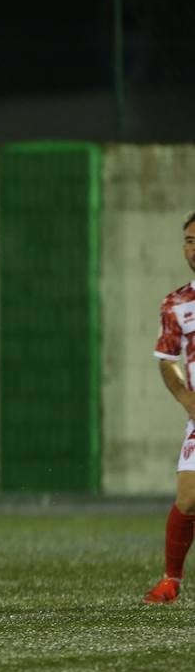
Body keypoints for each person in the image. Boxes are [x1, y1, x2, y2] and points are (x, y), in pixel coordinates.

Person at [144, 209, 195, 604]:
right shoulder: (176, 303)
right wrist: (185, 399)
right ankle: (170, 582)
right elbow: (167, 360)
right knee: (188, 497)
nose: (193, 247)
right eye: (189, 240)